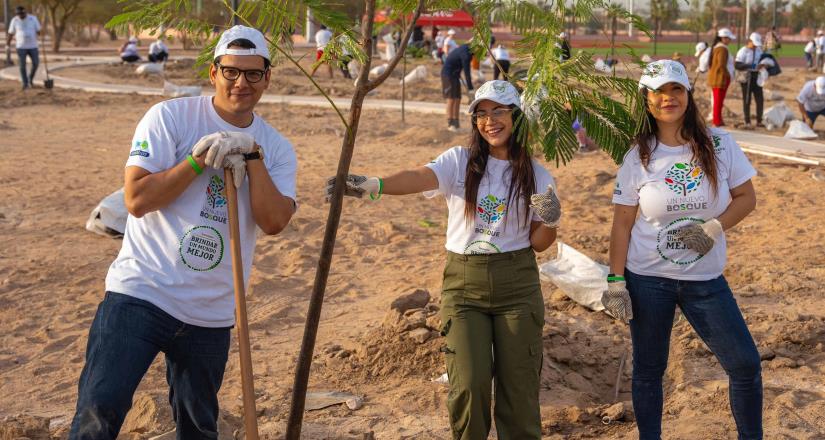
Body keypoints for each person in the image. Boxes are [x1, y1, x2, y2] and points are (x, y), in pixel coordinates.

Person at [68, 25, 298, 439]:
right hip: (142, 292)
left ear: (268, 77)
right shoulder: (169, 117)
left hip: (212, 311)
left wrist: (252, 155)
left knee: (197, 427)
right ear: (213, 72)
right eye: (231, 72)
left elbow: (275, 222)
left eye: (252, 73)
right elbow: (137, 199)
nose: (241, 83)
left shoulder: (276, 147)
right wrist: (195, 163)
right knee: (98, 413)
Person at [325, 80, 561, 440]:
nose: (489, 121)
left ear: (517, 116)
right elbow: (419, 177)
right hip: (464, 286)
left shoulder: (537, 175)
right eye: (481, 114)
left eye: (498, 111)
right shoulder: (460, 161)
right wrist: (374, 184)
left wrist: (551, 219)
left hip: (518, 286)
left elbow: (540, 243)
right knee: (469, 383)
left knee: (519, 388)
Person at [603, 59, 761, 440]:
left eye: (675, 89)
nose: (667, 98)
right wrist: (615, 280)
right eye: (657, 92)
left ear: (688, 94)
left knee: (744, 364)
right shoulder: (637, 156)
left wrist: (713, 226)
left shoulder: (720, 144)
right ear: (646, 101)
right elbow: (622, 224)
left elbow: (746, 198)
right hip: (648, 280)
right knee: (648, 370)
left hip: (704, 280)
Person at [734, 32, 765, 128]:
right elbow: (737, 65)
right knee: (747, 99)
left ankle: (759, 121)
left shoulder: (759, 51)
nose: (755, 46)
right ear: (750, 41)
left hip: (757, 77)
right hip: (746, 77)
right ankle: (747, 121)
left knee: (760, 99)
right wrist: (751, 66)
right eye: (754, 44)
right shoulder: (743, 51)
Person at [6, 6, 41, 90]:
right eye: (18, 14)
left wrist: (39, 33)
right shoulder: (15, 20)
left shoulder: (33, 19)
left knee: (36, 63)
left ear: (25, 13)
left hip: (33, 46)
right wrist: (7, 44)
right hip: (21, 47)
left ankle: (30, 79)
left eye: (22, 14)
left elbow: (38, 31)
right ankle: (25, 84)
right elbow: (10, 33)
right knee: (22, 66)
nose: (20, 16)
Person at [441, 42, 474, 131]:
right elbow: (467, 72)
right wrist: (470, 88)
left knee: (458, 99)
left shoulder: (468, 49)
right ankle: (450, 124)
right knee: (451, 99)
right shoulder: (466, 53)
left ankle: (456, 123)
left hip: (455, 75)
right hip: (447, 75)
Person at [707, 28, 735, 127]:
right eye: (728, 38)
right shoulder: (722, 49)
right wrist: (727, 75)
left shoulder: (717, 47)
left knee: (718, 100)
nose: (730, 41)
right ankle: (717, 121)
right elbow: (721, 64)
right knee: (718, 100)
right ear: (723, 38)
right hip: (720, 78)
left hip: (718, 78)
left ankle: (718, 119)